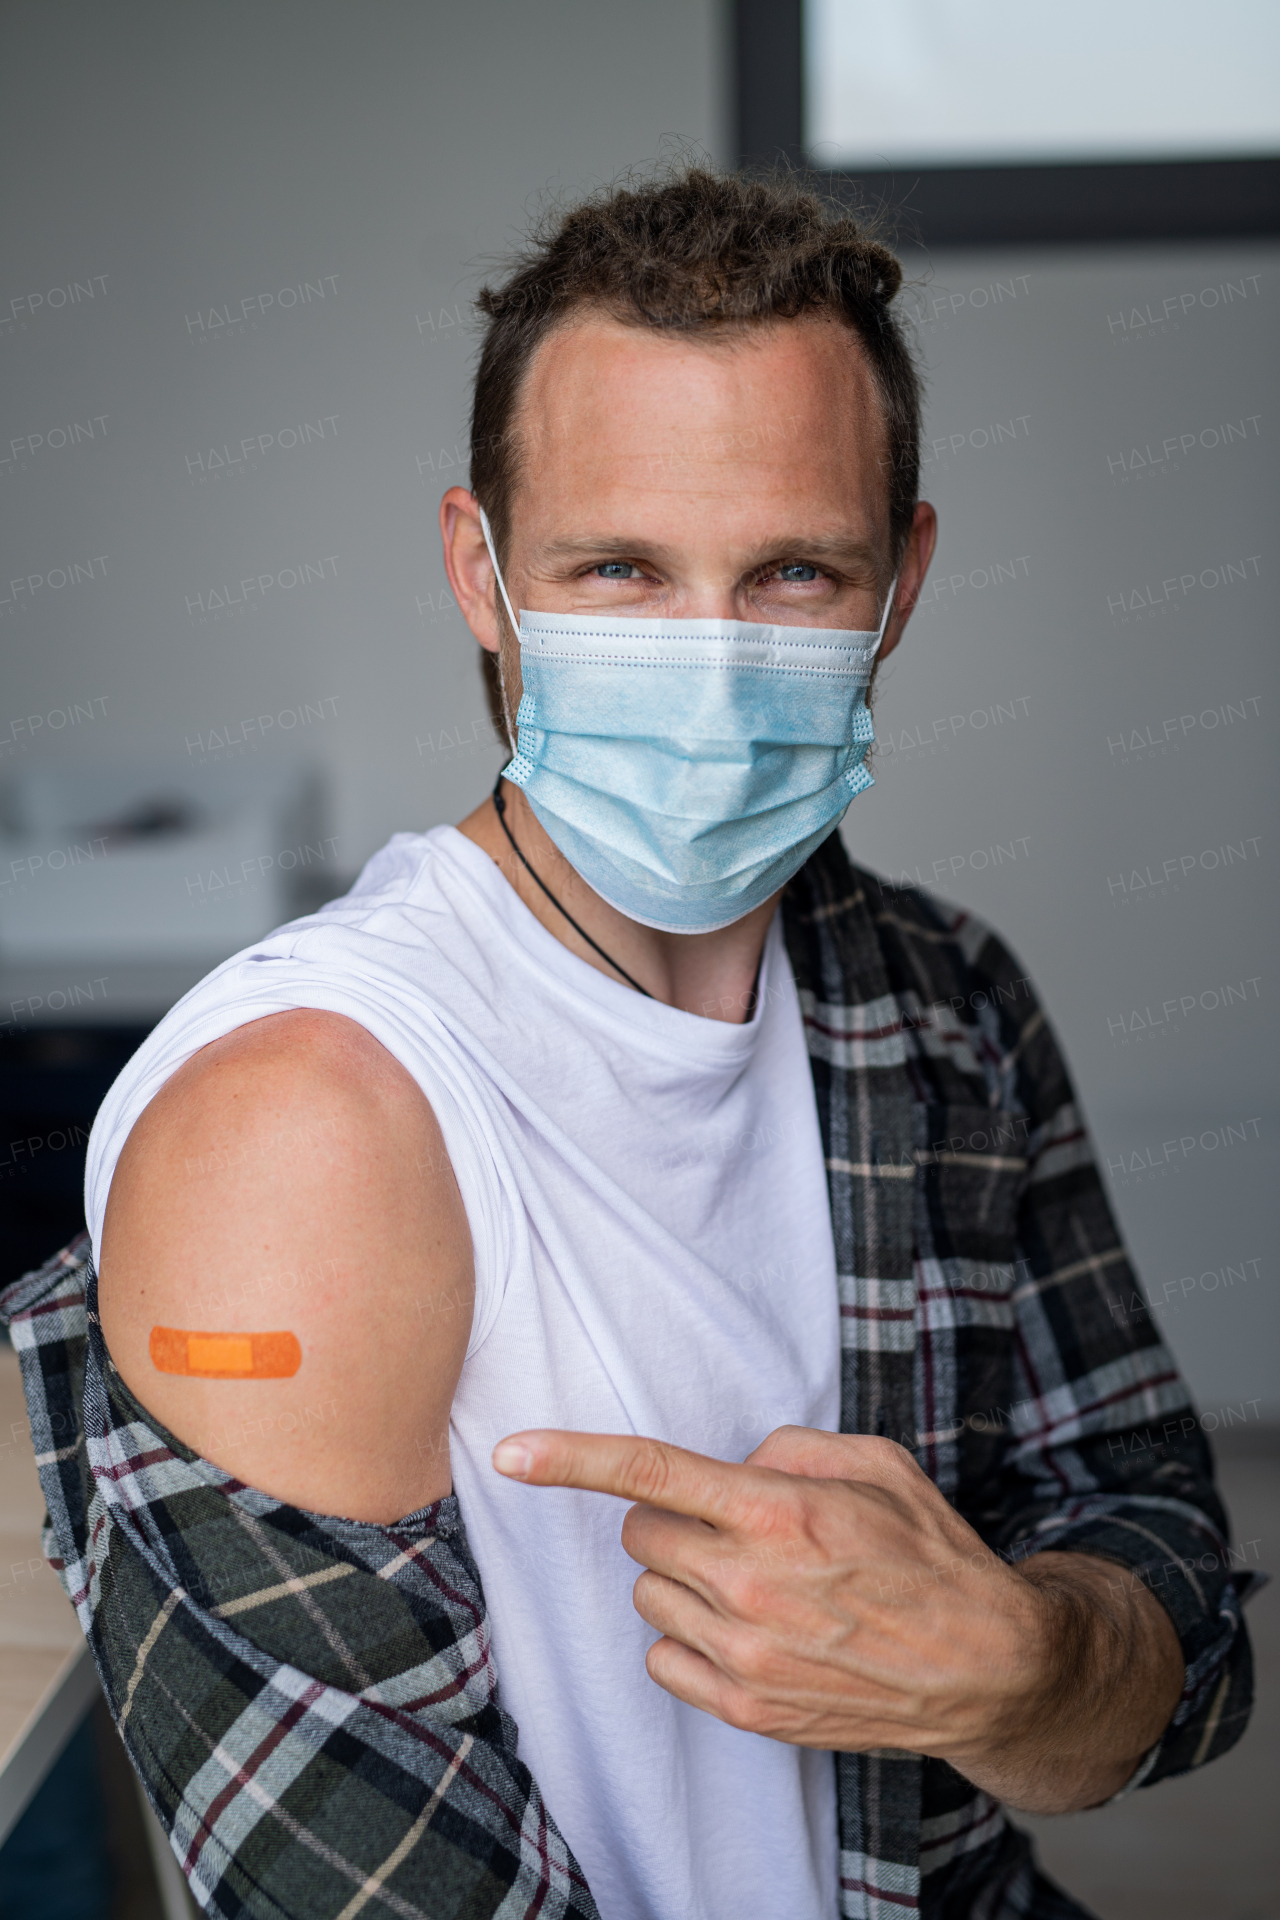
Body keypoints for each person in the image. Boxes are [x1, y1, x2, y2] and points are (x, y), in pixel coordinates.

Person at [3, 168, 1254, 1920]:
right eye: (620, 571)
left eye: (794, 572)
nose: (714, 668)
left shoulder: (950, 1007)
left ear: (901, 583)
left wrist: (1027, 1668)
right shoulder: (305, 1118)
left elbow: (1180, 1635)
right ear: (483, 573)